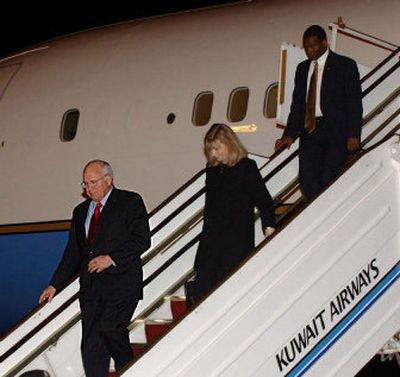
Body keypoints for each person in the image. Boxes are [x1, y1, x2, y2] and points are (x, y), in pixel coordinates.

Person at [39, 160, 151, 377]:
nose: (88, 188)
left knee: (111, 329)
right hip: (91, 289)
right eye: (85, 184)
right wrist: (55, 284)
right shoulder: (80, 212)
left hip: (121, 284)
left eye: (93, 182)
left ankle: (129, 370)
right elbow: (73, 252)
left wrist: (111, 259)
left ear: (108, 180)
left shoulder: (130, 201)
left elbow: (142, 240)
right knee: (91, 347)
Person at [275, 25, 363, 198]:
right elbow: (297, 106)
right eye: (306, 47)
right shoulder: (302, 69)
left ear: (324, 43)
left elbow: (354, 103)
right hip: (311, 131)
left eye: (313, 46)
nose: (309, 50)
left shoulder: (344, 65)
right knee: (306, 179)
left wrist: (353, 135)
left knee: (328, 178)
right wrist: (289, 134)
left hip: (335, 132)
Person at [192, 123, 276, 303]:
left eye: (217, 148)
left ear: (229, 143)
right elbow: (210, 209)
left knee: (229, 290)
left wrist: (269, 226)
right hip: (212, 241)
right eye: (210, 150)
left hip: (236, 240)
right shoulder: (213, 170)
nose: (214, 154)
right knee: (202, 293)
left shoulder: (246, 167)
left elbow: (263, 199)